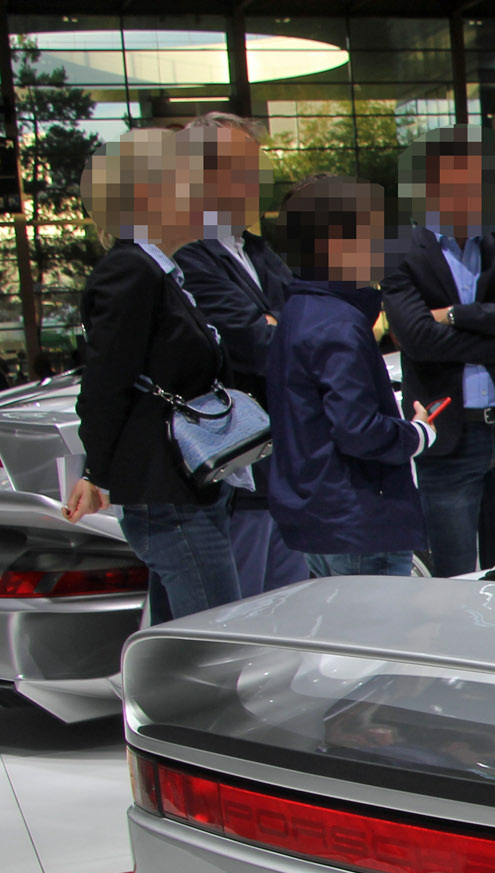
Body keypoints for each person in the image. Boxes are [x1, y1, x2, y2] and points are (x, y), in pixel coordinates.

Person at [64, 130, 238, 624]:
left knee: (185, 650)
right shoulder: (131, 271)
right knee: (213, 646)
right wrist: (96, 471)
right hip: (169, 495)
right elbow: (105, 382)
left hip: (186, 489)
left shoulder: (159, 271)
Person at [381, 127, 495, 576]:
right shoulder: (399, 252)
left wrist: (454, 314)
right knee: (452, 582)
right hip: (449, 438)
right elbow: (418, 339)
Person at [266, 175, 436, 577]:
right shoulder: (337, 322)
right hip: (359, 520)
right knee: (375, 636)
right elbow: (358, 429)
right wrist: (417, 434)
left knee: (340, 635)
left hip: (323, 518)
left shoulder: (300, 311)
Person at [173, 110, 310, 598]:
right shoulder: (185, 253)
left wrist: (287, 324)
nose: (259, 177)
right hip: (237, 473)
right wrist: (283, 325)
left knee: (287, 620)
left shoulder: (254, 249)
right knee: (239, 628)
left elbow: (316, 321)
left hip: (282, 471)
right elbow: (260, 343)